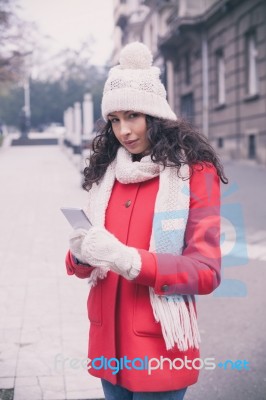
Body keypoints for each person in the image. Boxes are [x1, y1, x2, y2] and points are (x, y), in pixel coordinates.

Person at [65, 42, 228, 400]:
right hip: (108, 345)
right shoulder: (108, 172)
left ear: (154, 114)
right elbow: (85, 267)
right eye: (115, 120)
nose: (124, 131)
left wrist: (129, 260)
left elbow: (205, 271)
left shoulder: (194, 173)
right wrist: (80, 254)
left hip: (158, 349)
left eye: (133, 116)